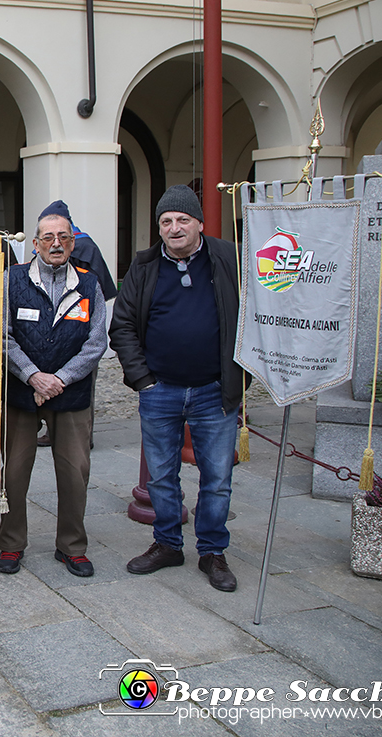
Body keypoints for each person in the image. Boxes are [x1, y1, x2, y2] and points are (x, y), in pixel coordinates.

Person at [109, 185, 244, 592]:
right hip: (161, 391)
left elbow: (255, 316)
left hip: (213, 391)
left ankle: (212, 551)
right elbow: (123, 325)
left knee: (217, 478)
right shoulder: (146, 266)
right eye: (166, 221)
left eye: (183, 219)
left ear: (199, 223)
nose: (174, 227)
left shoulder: (228, 259)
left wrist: (241, 377)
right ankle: (167, 544)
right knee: (162, 477)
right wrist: (143, 380)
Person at [0, 213, 106, 577]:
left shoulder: (89, 285)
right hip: (21, 392)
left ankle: (72, 547)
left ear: (73, 242)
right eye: (47, 237)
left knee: (76, 473)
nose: (55, 243)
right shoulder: (12, 280)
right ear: (35, 244)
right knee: (13, 472)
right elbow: (2, 336)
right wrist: (32, 376)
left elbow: (96, 343)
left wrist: (58, 379)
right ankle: (11, 543)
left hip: (71, 395)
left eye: (63, 237)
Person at [35, 200, 116, 448]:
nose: (56, 242)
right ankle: (52, 429)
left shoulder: (85, 246)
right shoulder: (47, 245)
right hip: (48, 329)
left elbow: (98, 289)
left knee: (82, 385)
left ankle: (84, 435)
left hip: (77, 325)